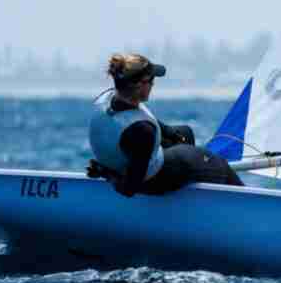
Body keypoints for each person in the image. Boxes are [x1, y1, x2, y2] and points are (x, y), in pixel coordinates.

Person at [87, 53, 244, 197]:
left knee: (185, 133)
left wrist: (169, 132)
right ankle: (244, 204)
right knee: (219, 165)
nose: (153, 85)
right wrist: (106, 174)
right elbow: (129, 189)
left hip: (129, 156)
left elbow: (136, 118)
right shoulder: (142, 131)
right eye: (151, 81)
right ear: (139, 85)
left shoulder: (108, 99)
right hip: (157, 180)